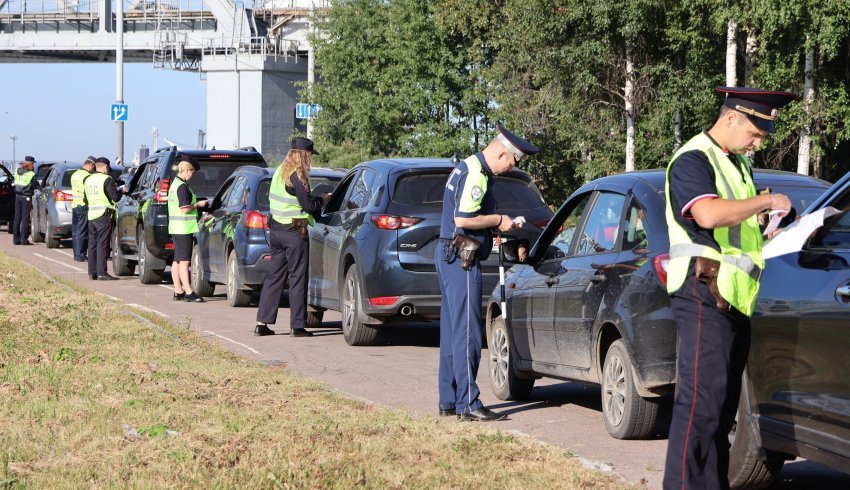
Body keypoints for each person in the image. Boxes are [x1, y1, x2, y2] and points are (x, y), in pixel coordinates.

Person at [662, 86, 796, 489]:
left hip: (733, 300)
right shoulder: (693, 158)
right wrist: (764, 201)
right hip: (703, 292)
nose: (758, 143)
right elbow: (705, 213)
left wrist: (774, 226)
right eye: (755, 133)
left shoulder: (736, 164)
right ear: (732, 117)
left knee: (719, 412)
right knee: (700, 408)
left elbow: (740, 234)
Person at [436, 124, 536, 421]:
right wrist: (500, 219)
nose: (511, 167)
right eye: (513, 161)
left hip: (449, 252)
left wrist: (499, 225)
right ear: (503, 152)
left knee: (451, 330)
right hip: (462, 256)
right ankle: (468, 403)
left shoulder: (465, 166)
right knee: (467, 332)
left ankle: (450, 399)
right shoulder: (478, 174)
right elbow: (464, 217)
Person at [255, 137, 330, 337]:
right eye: (310, 156)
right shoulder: (298, 176)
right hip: (294, 233)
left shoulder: (280, 171)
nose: (310, 160)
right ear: (304, 155)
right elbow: (307, 206)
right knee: (297, 278)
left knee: (275, 277)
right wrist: (321, 200)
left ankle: (262, 323)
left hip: (276, 232)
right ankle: (297, 326)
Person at [168, 157, 208, 302]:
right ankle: (189, 292)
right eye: (192, 172)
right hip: (183, 228)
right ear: (186, 170)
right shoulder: (182, 187)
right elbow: (184, 208)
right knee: (184, 261)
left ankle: (178, 290)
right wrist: (199, 204)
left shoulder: (174, 185)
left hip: (175, 227)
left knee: (177, 260)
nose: (193, 175)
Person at [84, 157, 123, 281]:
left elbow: (86, 198)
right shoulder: (107, 179)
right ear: (105, 167)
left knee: (92, 244)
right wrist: (121, 191)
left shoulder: (88, 179)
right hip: (103, 215)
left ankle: (92, 272)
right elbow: (115, 197)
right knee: (103, 244)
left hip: (91, 215)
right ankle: (102, 272)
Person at [70, 156, 96, 262]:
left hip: (75, 205)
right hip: (83, 205)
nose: (93, 171)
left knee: (75, 231)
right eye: (93, 168)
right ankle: (81, 254)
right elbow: (87, 192)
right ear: (91, 165)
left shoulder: (75, 174)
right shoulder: (87, 176)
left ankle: (76, 253)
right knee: (82, 231)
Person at [12, 156, 38, 245]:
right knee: (25, 218)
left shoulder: (16, 171)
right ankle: (24, 239)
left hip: (17, 196)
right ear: (31, 164)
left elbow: (14, 181)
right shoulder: (31, 174)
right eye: (33, 163)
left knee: (17, 218)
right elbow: (36, 185)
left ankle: (16, 239)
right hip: (26, 197)